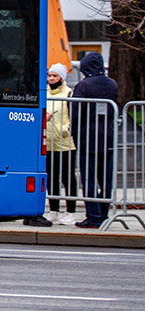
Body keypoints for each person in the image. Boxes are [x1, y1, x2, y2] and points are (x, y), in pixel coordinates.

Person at [71, 52, 118, 229]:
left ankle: (93, 216)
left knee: (89, 178)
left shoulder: (83, 85)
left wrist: (74, 132)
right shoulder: (112, 83)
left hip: (88, 137)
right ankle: (104, 214)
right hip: (108, 136)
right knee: (105, 179)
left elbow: (75, 112)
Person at [44, 63, 78, 224]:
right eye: (49, 75)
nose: (51, 78)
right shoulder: (44, 93)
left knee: (67, 177)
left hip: (65, 143)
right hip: (48, 142)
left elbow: (72, 117)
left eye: (54, 76)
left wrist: (64, 130)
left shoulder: (69, 93)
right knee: (51, 177)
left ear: (61, 78)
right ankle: (54, 210)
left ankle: (70, 211)